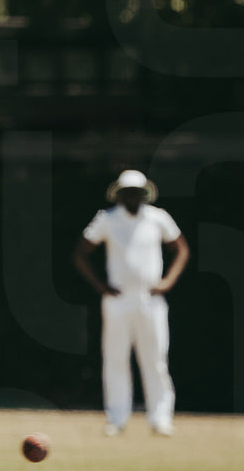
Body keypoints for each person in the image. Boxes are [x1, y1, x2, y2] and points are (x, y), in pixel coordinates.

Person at [72, 169, 190, 437]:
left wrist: (168, 281)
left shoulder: (158, 218)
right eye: (127, 192)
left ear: (144, 193)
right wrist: (101, 286)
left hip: (151, 299)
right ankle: (116, 418)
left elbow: (181, 248)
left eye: (136, 192)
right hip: (118, 300)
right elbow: (80, 253)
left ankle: (160, 418)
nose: (132, 197)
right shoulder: (107, 219)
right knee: (115, 359)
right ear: (120, 194)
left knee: (155, 360)